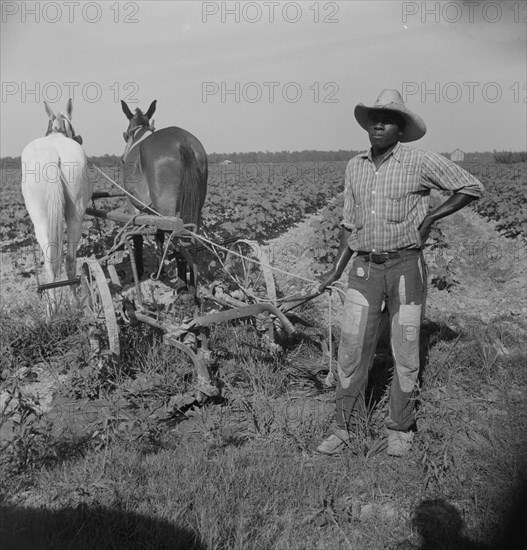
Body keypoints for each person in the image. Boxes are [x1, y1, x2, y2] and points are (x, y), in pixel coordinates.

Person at [316, 89, 484, 456]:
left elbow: (471, 187)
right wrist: (335, 269)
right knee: (351, 349)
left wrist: (432, 217)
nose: (379, 125)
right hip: (364, 269)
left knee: (405, 350)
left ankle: (400, 427)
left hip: (406, 266)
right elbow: (349, 223)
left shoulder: (419, 161)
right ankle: (346, 427)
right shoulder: (355, 166)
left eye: (388, 119)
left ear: (401, 128)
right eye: (374, 118)